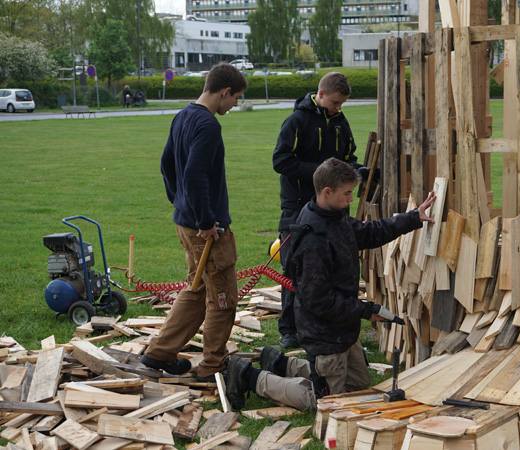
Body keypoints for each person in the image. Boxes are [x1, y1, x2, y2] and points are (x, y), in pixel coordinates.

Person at [225, 158, 435, 410]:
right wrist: (365, 310)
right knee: (327, 402)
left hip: (342, 327)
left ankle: (281, 365)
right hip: (324, 332)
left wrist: (413, 218)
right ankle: (250, 377)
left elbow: (367, 233)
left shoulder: (334, 216)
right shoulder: (314, 241)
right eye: (347, 193)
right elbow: (319, 300)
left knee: (358, 387)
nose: (351, 199)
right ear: (327, 192)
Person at [141, 62, 247, 382]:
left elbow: (166, 166)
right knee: (223, 297)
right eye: (236, 98)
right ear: (224, 91)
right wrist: (205, 220)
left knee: (197, 289)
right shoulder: (208, 125)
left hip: (185, 223)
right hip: (206, 228)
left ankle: (160, 352)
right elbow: (195, 174)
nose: (235, 104)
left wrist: (181, 203)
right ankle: (213, 365)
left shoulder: (183, 115)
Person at [273, 72, 374, 349]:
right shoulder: (297, 121)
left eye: (342, 104)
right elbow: (281, 160)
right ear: (320, 94)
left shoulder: (340, 123)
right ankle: (289, 328)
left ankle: (324, 322)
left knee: (329, 268)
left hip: (331, 207)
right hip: (297, 205)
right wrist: (320, 174)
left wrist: (357, 171)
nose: (338, 108)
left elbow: (348, 157)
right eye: (334, 102)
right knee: (292, 267)